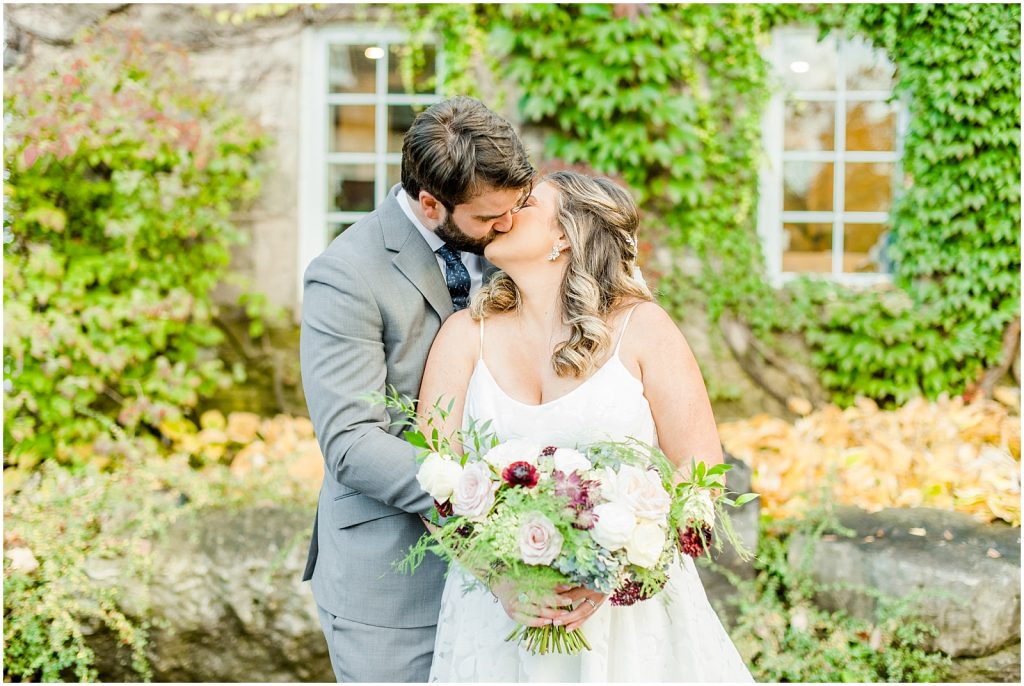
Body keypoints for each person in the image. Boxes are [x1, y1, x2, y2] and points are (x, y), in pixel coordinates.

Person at [418, 171, 755, 682]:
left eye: (525, 203)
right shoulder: (463, 337)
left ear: (565, 237)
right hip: (496, 620)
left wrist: (615, 572)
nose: (503, 212)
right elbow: (432, 482)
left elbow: (703, 475)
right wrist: (499, 582)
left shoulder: (643, 329)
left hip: (628, 623)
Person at [299, 96, 536, 682]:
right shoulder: (346, 275)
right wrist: (482, 503)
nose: (507, 226)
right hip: (394, 583)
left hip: (520, 569)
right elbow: (352, 444)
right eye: (488, 217)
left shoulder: (515, 245)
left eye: (517, 208)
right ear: (431, 203)